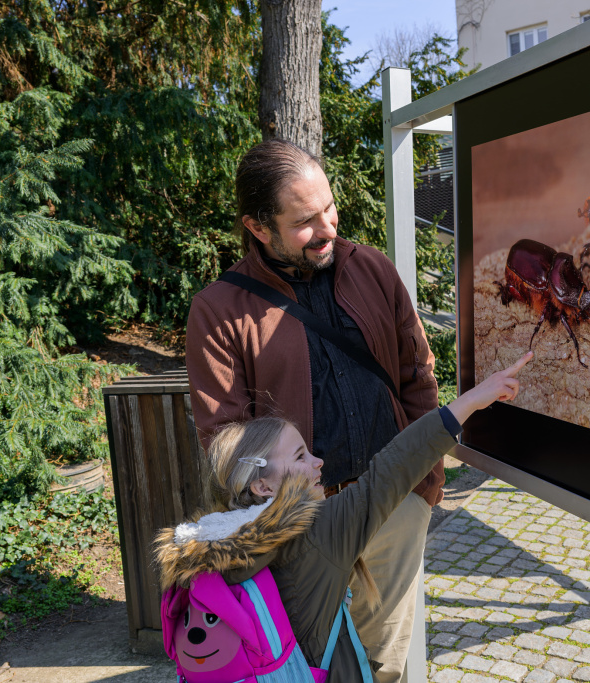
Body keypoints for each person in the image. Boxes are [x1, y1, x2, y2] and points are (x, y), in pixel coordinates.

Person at [186, 138, 440, 682]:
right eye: (306, 220)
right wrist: (280, 526)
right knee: (312, 666)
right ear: (258, 226)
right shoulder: (219, 309)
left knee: (384, 668)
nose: (328, 227)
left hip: (395, 508)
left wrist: (426, 485)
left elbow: (416, 374)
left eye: (330, 208)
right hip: (303, 534)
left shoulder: (371, 267)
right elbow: (225, 443)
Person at [156, 353, 532, 682]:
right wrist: (470, 401)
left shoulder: (206, 544)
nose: (318, 463)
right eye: (301, 456)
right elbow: (392, 470)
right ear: (263, 486)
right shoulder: (318, 532)